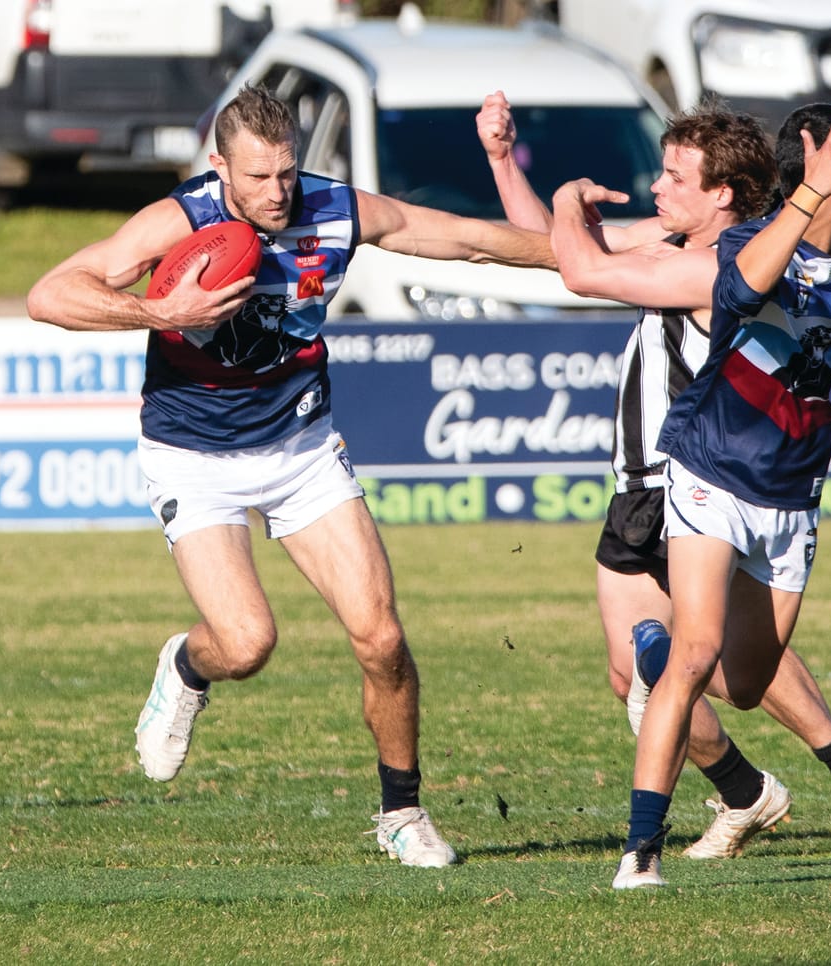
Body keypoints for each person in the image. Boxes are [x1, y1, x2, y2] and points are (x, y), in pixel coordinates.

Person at [27, 84, 557, 869]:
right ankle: (185, 665)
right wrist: (162, 314)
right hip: (193, 456)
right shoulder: (183, 220)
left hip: (302, 447)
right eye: (258, 178)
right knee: (246, 644)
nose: (278, 193)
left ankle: (402, 813)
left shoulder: (334, 209)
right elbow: (51, 293)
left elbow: (463, 239)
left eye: (287, 173)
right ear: (220, 168)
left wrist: (577, 258)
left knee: (381, 637)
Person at [476, 91, 831, 865]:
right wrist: (506, 161)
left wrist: (567, 201)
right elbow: (553, 244)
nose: (656, 185)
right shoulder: (681, 236)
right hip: (666, 481)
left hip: (681, 476)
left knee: (692, 655)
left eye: (676, 175)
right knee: (654, 666)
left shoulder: (722, 259)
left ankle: (830, 768)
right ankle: (753, 790)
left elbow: (573, 261)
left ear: (723, 194)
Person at [614, 103, 831, 889]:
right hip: (710, 468)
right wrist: (805, 199)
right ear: (821, 170)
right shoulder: (749, 240)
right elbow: (742, 286)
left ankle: (656, 654)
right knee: (699, 654)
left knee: (747, 682)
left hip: (791, 492)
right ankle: (641, 853)